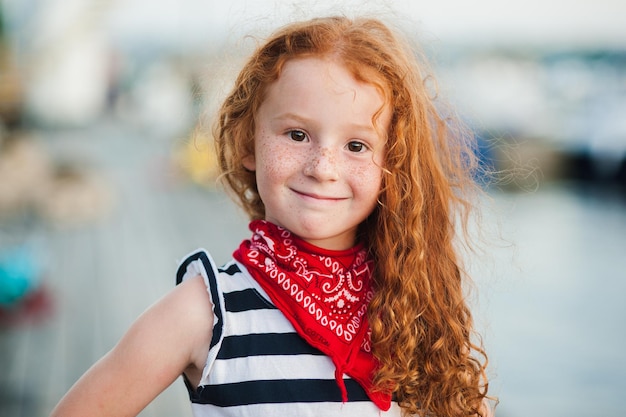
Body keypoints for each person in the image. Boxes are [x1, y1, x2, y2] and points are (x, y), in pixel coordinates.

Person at [50, 15, 494, 417]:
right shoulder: (203, 313)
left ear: (391, 163)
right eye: (297, 134)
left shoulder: (412, 308)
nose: (323, 167)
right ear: (248, 143)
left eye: (356, 146)